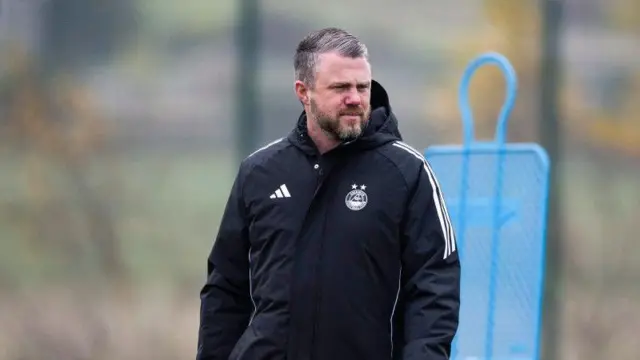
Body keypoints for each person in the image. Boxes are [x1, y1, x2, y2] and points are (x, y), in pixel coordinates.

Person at [197, 27, 461, 360]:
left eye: (362, 87)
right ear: (303, 92)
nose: (355, 98)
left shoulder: (407, 173)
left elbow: (435, 286)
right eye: (340, 88)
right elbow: (225, 289)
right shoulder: (259, 172)